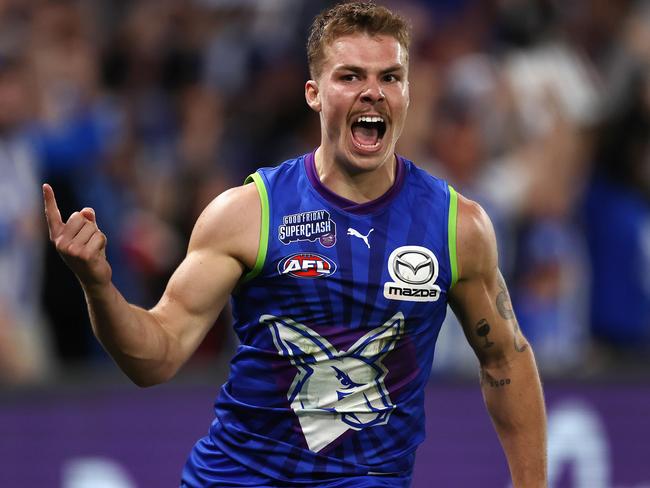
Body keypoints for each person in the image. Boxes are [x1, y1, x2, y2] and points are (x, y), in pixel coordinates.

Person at [43, 2, 547, 486]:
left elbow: (505, 359)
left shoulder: (457, 226)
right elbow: (156, 358)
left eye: (389, 77)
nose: (372, 92)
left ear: (407, 93)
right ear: (314, 93)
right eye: (350, 76)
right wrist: (98, 285)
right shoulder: (248, 214)